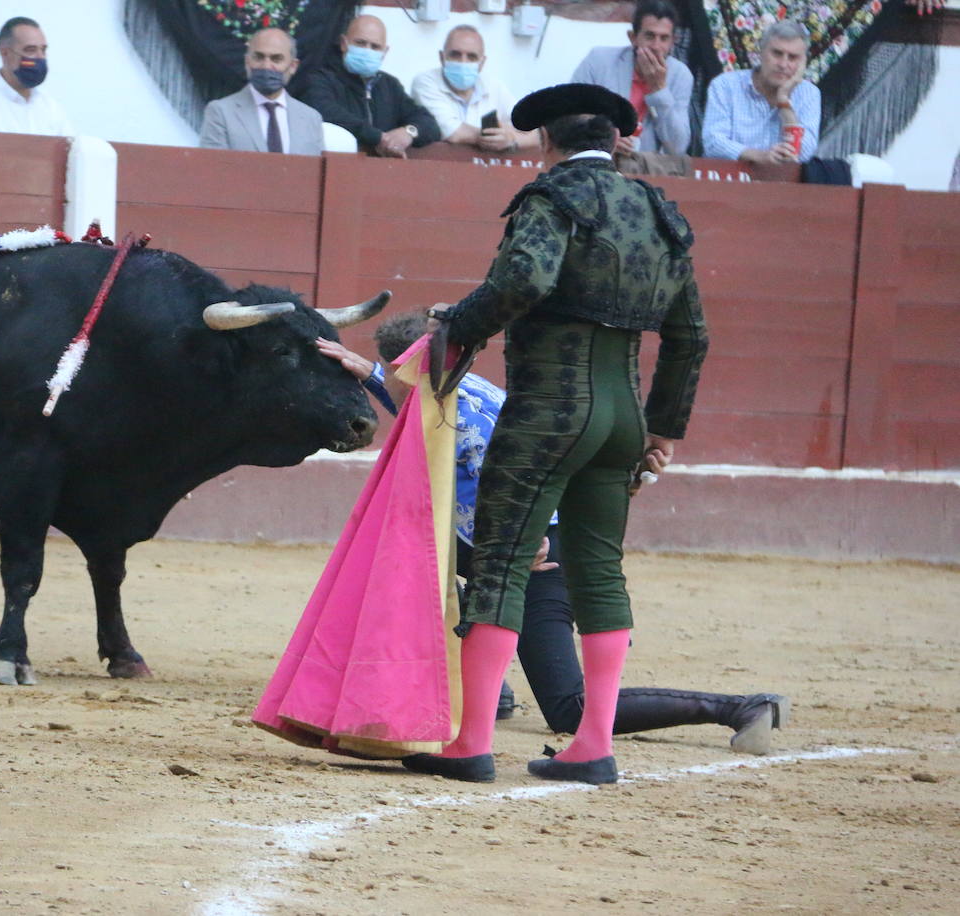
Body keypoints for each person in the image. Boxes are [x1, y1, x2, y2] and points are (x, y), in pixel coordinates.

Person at [392, 83, 709, 786]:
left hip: (549, 411)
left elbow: (525, 279)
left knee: (502, 563)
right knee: (597, 569)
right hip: (622, 417)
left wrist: (457, 332)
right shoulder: (660, 212)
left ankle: (471, 742)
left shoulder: (550, 198)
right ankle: (593, 743)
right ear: (619, 142)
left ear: (545, 143)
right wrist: (663, 428)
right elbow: (691, 335)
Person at [317, 314, 786, 761]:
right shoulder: (451, 389)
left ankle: (737, 708)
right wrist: (372, 374)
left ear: (409, 368)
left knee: (569, 707)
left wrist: (534, 532)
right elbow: (413, 399)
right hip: (511, 541)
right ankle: (482, 687)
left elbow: (507, 472)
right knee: (414, 561)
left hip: (540, 551)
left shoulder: (462, 419)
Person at [298, 14, 441, 158]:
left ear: (384, 52)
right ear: (343, 43)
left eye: (375, 46)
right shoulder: (320, 79)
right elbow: (326, 111)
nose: (367, 50)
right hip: (338, 168)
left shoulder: (390, 85)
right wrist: (377, 137)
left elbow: (429, 123)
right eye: (360, 43)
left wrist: (409, 132)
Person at [570, 0, 693, 156]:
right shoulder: (598, 60)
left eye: (664, 38)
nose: (656, 46)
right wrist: (605, 138)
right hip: (596, 159)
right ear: (633, 37)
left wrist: (659, 90)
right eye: (649, 36)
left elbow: (678, 146)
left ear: (672, 42)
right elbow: (570, 119)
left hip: (646, 167)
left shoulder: (681, 75)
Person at [702, 20, 820, 165]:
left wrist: (784, 102)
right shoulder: (725, 85)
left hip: (783, 185)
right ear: (761, 52)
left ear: (803, 62)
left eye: (793, 57)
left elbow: (804, 153)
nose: (783, 64)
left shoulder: (810, 93)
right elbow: (713, 142)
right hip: (728, 183)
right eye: (777, 54)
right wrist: (759, 156)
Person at [410, 25, 539, 155]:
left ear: (482, 63)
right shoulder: (425, 82)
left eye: (471, 57)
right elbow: (452, 131)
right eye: (455, 55)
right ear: (442, 57)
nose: (463, 62)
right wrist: (492, 137)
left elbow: (536, 131)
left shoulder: (494, 86)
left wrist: (512, 139)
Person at [199, 28, 325, 155]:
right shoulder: (221, 112)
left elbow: (317, 170)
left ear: (293, 66)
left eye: (276, 59)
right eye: (259, 58)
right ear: (247, 62)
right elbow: (211, 169)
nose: (266, 66)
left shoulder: (311, 118)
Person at [0, 16, 75, 137]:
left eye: (43, 50)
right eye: (30, 50)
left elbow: (71, 152)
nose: (40, 57)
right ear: (4, 53)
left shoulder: (51, 107)